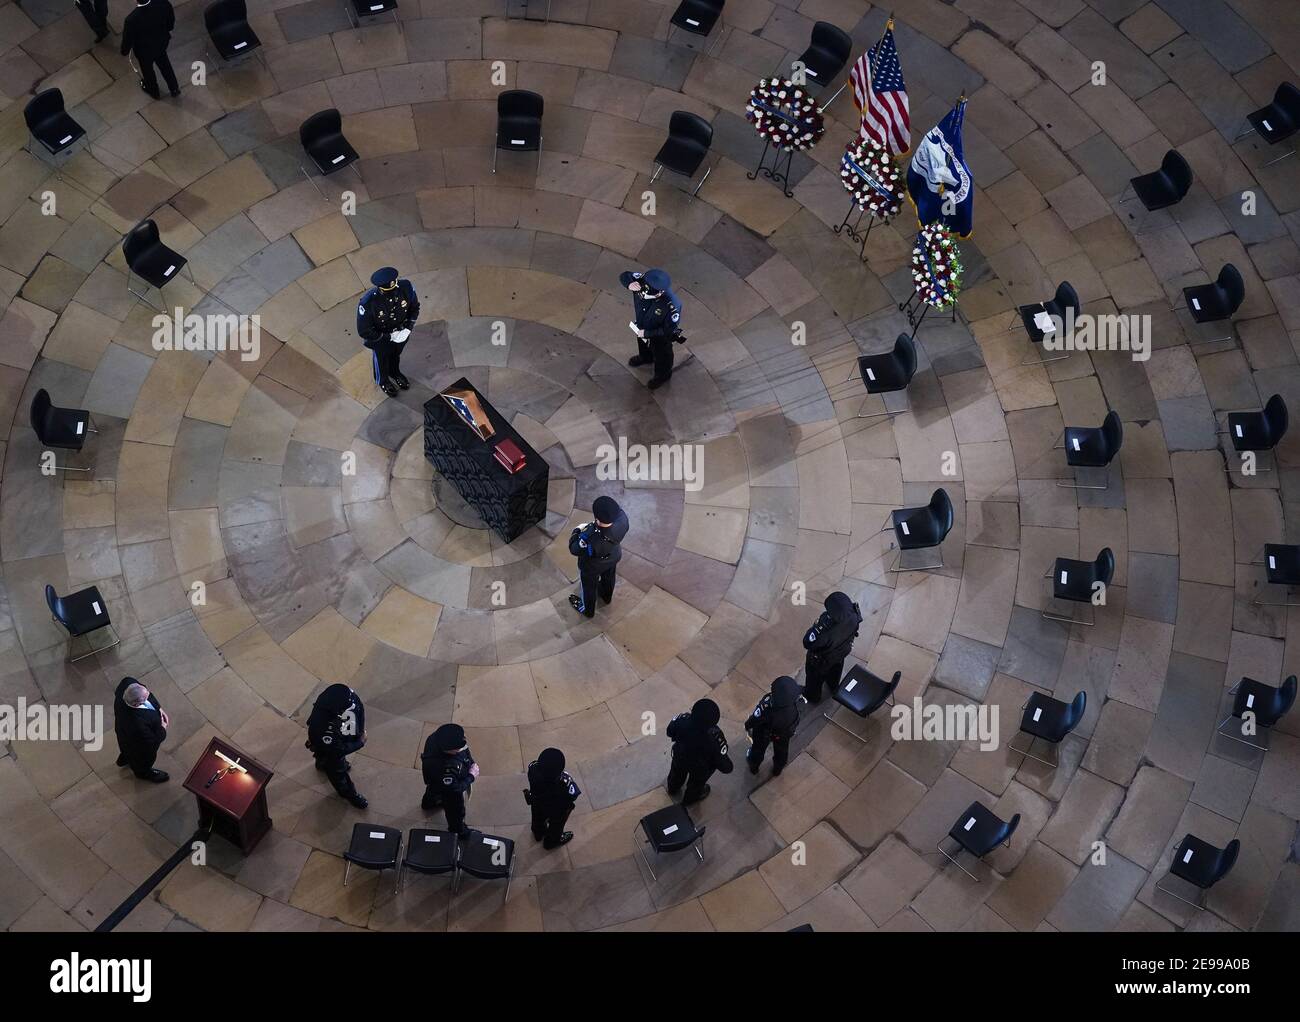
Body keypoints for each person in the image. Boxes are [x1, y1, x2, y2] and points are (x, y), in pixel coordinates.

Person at [357, 266, 420, 397]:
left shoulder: (406, 287)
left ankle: (395, 372)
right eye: (389, 292)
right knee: (381, 359)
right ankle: (383, 380)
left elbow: (414, 308)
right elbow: (364, 331)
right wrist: (389, 337)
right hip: (380, 339)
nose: (394, 294)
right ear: (381, 289)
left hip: (402, 334)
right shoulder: (368, 302)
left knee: (396, 355)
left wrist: (408, 328)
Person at [305, 684, 368, 809]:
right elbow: (338, 750)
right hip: (329, 749)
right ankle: (348, 793)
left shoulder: (335, 697)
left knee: (325, 755)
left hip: (323, 743)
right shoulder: (327, 732)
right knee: (338, 773)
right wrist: (360, 742)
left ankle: (321, 762)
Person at [619, 268, 682, 389]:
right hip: (642, 325)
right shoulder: (642, 282)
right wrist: (629, 284)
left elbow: (668, 330)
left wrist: (648, 333)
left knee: (662, 354)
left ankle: (663, 375)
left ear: (659, 293)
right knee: (642, 343)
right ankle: (646, 357)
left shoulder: (672, 306)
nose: (642, 293)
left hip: (659, 335)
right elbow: (625, 275)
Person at [567, 495, 629, 618]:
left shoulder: (590, 537)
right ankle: (607, 596)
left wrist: (577, 531)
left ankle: (587, 610)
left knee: (588, 587)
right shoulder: (623, 520)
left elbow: (574, 549)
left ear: (598, 519)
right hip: (614, 555)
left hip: (592, 567)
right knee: (609, 576)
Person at [665, 698, 733, 805]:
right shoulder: (715, 738)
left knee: (676, 773)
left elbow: (669, 731)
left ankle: (672, 788)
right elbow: (723, 764)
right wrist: (728, 766)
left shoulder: (681, 720)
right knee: (696, 784)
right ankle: (689, 799)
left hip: (680, 756)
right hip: (700, 767)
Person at [802, 591, 863, 703]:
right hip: (841, 652)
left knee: (814, 679)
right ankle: (833, 685)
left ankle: (813, 696)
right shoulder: (854, 615)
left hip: (822, 660)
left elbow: (808, 642)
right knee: (836, 669)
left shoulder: (825, 627)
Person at [421, 723, 478, 835]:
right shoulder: (446, 769)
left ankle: (428, 803)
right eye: (457, 749)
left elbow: (465, 750)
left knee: (432, 791)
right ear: (448, 750)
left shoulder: (435, 738)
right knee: (455, 812)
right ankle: (459, 831)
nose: (461, 747)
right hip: (447, 790)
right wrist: (471, 776)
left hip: (433, 781)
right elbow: (454, 789)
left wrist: (470, 761)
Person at [745, 676, 803, 777]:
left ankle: (754, 766)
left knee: (758, 749)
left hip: (764, 732)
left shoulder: (767, 706)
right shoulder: (793, 707)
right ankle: (778, 769)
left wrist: (747, 725)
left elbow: (756, 717)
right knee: (782, 751)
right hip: (784, 734)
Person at [120, 0, 179, 100]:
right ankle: (174, 88)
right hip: (161, 44)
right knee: (165, 65)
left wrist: (124, 51)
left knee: (148, 71)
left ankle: (154, 92)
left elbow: (127, 39)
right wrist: (167, 30)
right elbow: (170, 20)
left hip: (144, 51)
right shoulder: (162, 3)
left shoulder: (131, 20)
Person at [113, 677, 169, 782]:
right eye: (146, 695)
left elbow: (148, 694)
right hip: (139, 744)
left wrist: (159, 708)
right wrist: (163, 728)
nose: (149, 692)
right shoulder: (137, 723)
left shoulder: (128, 684)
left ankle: (125, 758)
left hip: (123, 733)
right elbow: (152, 741)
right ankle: (143, 773)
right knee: (142, 759)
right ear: (137, 704)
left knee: (126, 748)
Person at [525, 747, 580, 849]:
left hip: (537, 802)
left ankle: (538, 833)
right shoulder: (565, 782)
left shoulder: (532, 769)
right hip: (556, 809)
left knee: (537, 817)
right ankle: (551, 842)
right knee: (556, 825)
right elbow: (573, 795)